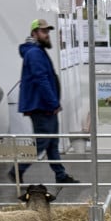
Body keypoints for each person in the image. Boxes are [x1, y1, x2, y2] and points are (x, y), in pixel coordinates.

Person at [14, 19, 78, 185]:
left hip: (45, 105)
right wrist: (53, 103)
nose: (47, 35)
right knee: (42, 142)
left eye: (48, 31)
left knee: (52, 143)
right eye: (43, 32)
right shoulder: (34, 53)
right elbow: (41, 80)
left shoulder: (38, 50)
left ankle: (60, 175)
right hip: (41, 106)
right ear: (34, 33)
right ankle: (17, 170)